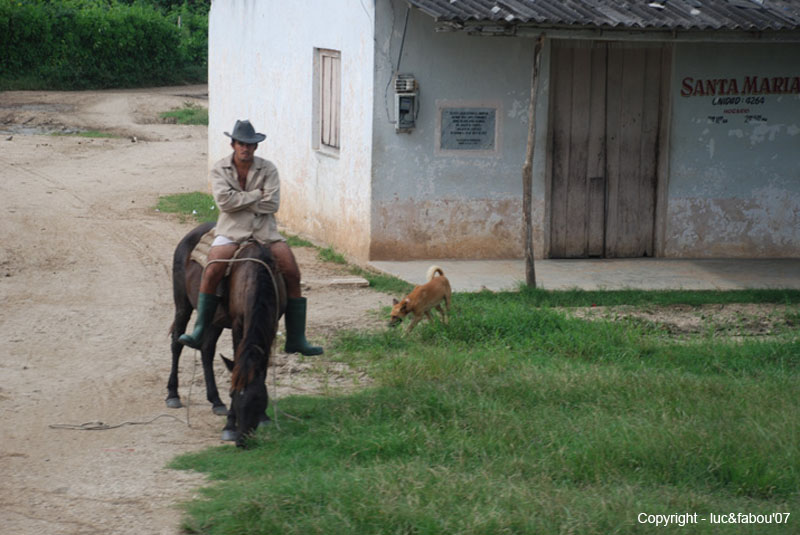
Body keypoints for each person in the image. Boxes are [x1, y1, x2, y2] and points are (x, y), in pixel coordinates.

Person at [179, 119, 323, 356]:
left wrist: (240, 199)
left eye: (250, 144)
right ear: (233, 144)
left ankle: (296, 337)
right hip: (231, 231)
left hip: (265, 232)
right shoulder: (219, 169)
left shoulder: (269, 169)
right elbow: (224, 202)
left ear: (256, 147)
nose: (245, 148)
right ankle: (200, 328)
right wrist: (257, 195)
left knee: (292, 271)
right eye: (241, 144)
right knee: (213, 268)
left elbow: (273, 204)